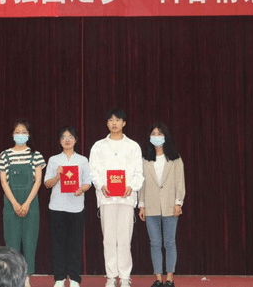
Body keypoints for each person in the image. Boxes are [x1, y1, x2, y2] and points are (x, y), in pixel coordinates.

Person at [89, 109, 144, 287]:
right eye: (111, 120)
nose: (114, 123)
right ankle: (111, 277)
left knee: (125, 239)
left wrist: (131, 186)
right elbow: (93, 171)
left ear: (124, 123)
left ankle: (125, 277)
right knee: (109, 240)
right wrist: (101, 185)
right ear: (107, 123)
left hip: (126, 199)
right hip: (107, 199)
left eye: (118, 120)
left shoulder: (133, 146)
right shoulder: (98, 146)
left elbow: (139, 172)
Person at [0, 119, 46, 287]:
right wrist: (16, 204)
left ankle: (26, 278)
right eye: (18, 132)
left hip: (31, 204)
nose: (21, 135)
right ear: (12, 134)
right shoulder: (4, 155)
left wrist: (27, 203)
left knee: (30, 242)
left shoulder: (36, 155)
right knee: (12, 243)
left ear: (29, 135)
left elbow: (38, 181)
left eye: (24, 132)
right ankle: (13, 279)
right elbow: (4, 182)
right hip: (11, 204)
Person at [138, 122, 185, 287]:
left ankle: (170, 278)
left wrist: (178, 202)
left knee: (170, 243)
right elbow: (142, 184)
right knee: (155, 243)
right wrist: (141, 205)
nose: (156, 137)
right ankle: (158, 278)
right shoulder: (145, 159)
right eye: (153, 134)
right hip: (151, 206)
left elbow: (180, 182)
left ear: (166, 136)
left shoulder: (175, 159)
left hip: (170, 206)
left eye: (159, 134)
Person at [44, 126, 92, 287]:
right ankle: (59, 277)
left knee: (75, 244)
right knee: (58, 244)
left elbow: (88, 182)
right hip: (56, 207)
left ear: (76, 140)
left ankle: (74, 278)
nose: (67, 140)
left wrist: (81, 189)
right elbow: (47, 184)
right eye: (63, 137)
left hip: (76, 208)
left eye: (70, 136)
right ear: (59, 141)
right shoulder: (53, 160)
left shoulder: (82, 160)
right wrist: (57, 176)